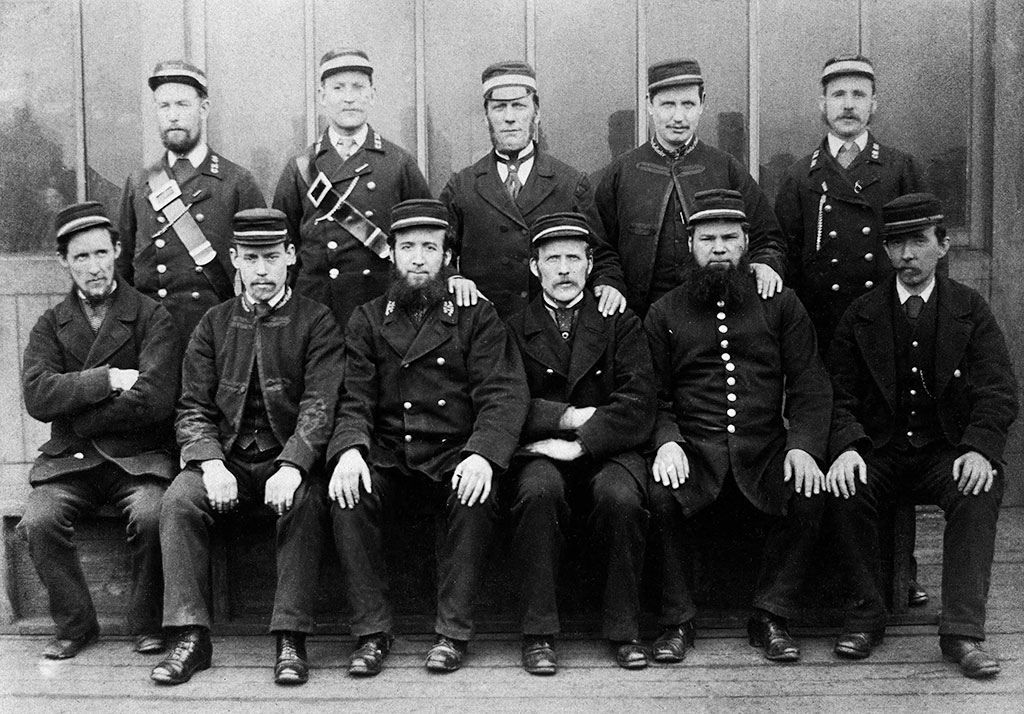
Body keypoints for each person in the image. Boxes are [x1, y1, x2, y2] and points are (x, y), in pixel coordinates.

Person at [327, 198, 529, 675]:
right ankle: (372, 633)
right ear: (392, 254)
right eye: (408, 247)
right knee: (347, 492)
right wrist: (351, 449)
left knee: (476, 490)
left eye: (429, 248)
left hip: (454, 452)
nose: (418, 258)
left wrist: (482, 453)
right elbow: (353, 396)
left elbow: (502, 393)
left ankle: (452, 633)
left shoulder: (475, 315)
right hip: (392, 453)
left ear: (446, 257)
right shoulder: (368, 318)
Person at [825, 193, 1018, 678]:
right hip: (882, 451)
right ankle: (866, 616)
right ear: (885, 251)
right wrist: (847, 446)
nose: (907, 255)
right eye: (896, 244)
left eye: (918, 241)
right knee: (845, 486)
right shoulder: (861, 314)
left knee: (981, 486)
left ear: (944, 245)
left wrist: (978, 449)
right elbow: (839, 394)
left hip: (947, 451)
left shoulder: (970, 310)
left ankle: (962, 631)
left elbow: (998, 392)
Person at [151, 209, 343, 686]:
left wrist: (295, 464)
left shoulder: (317, 322)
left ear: (291, 258)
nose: (262, 270)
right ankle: (190, 636)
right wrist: (211, 464)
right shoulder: (212, 325)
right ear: (234, 259)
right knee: (177, 500)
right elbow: (192, 407)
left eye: (272, 258)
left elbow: (321, 405)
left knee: (307, 502)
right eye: (251, 258)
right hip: (228, 459)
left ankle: (290, 639)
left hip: (285, 459)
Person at [644, 189, 831, 663]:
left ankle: (770, 614)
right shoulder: (666, 311)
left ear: (747, 242)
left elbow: (810, 382)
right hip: (694, 448)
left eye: (730, 237)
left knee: (809, 489)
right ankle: (677, 621)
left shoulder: (780, 303)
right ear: (691, 245)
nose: (720, 248)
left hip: (763, 447)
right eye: (708, 239)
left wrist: (803, 446)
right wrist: (667, 441)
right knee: (661, 495)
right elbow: (651, 394)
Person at [19, 201, 179, 659]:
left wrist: (81, 415)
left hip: (138, 456)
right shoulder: (50, 324)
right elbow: (38, 396)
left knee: (152, 514)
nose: (94, 267)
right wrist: (106, 379)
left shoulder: (151, 316)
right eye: (82, 257)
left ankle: (148, 624)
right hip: (71, 460)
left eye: (102, 254)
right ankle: (75, 625)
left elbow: (155, 397)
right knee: (38, 521)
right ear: (64, 263)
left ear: (117, 251)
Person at [505, 212, 655, 674]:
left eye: (575, 258)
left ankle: (624, 629)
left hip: (607, 447)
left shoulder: (618, 322)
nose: (565, 269)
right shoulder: (513, 326)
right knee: (537, 492)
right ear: (535, 267)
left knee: (620, 496)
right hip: (540, 447)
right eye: (553, 259)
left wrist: (582, 442)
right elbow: (506, 401)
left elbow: (639, 398)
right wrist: (565, 417)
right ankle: (539, 633)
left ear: (591, 266)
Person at [596, 59, 786, 318]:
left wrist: (764, 263)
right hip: (640, 316)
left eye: (688, 104)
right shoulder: (623, 170)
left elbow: (768, 237)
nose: (678, 117)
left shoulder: (726, 168)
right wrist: (608, 281)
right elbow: (599, 243)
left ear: (702, 104)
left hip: (714, 318)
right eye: (667, 105)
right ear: (649, 105)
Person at [440, 61, 626, 320]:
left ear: (536, 113)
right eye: (499, 107)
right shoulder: (462, 186)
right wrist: (454, 277)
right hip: (484, 330)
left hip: (547, 334)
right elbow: (436, 252)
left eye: (519, 105)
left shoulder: (570, 183)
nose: (509, 117)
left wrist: (607, 284)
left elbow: (601, 255)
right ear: (486, 117)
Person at [774, 53, 924, 355]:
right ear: (823, 104)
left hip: (887, 321)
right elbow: (784, 257)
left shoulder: (900, 168)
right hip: (821, 326)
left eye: (859, 94)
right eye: (838, 94)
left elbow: (927, 250)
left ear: (873, 104)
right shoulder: (800, 175)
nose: (848, 104)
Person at [273, 48, 432, 328]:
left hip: (381, 308)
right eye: (338, 88)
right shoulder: (300, 168)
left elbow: (428, 233)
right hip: (317, 311)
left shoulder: (398, 162)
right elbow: (284, 247)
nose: (349, 98)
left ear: (372, 94)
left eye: (358, 87)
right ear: (322, 97)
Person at [117, 60, 266, 345]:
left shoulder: (237, 182)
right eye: (164, 106)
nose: (172, 116)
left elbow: (261, 266)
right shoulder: (138, 184)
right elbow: (122, 269)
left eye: (182, 105)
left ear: (204, 108)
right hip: (152, 336)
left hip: (218, 335)